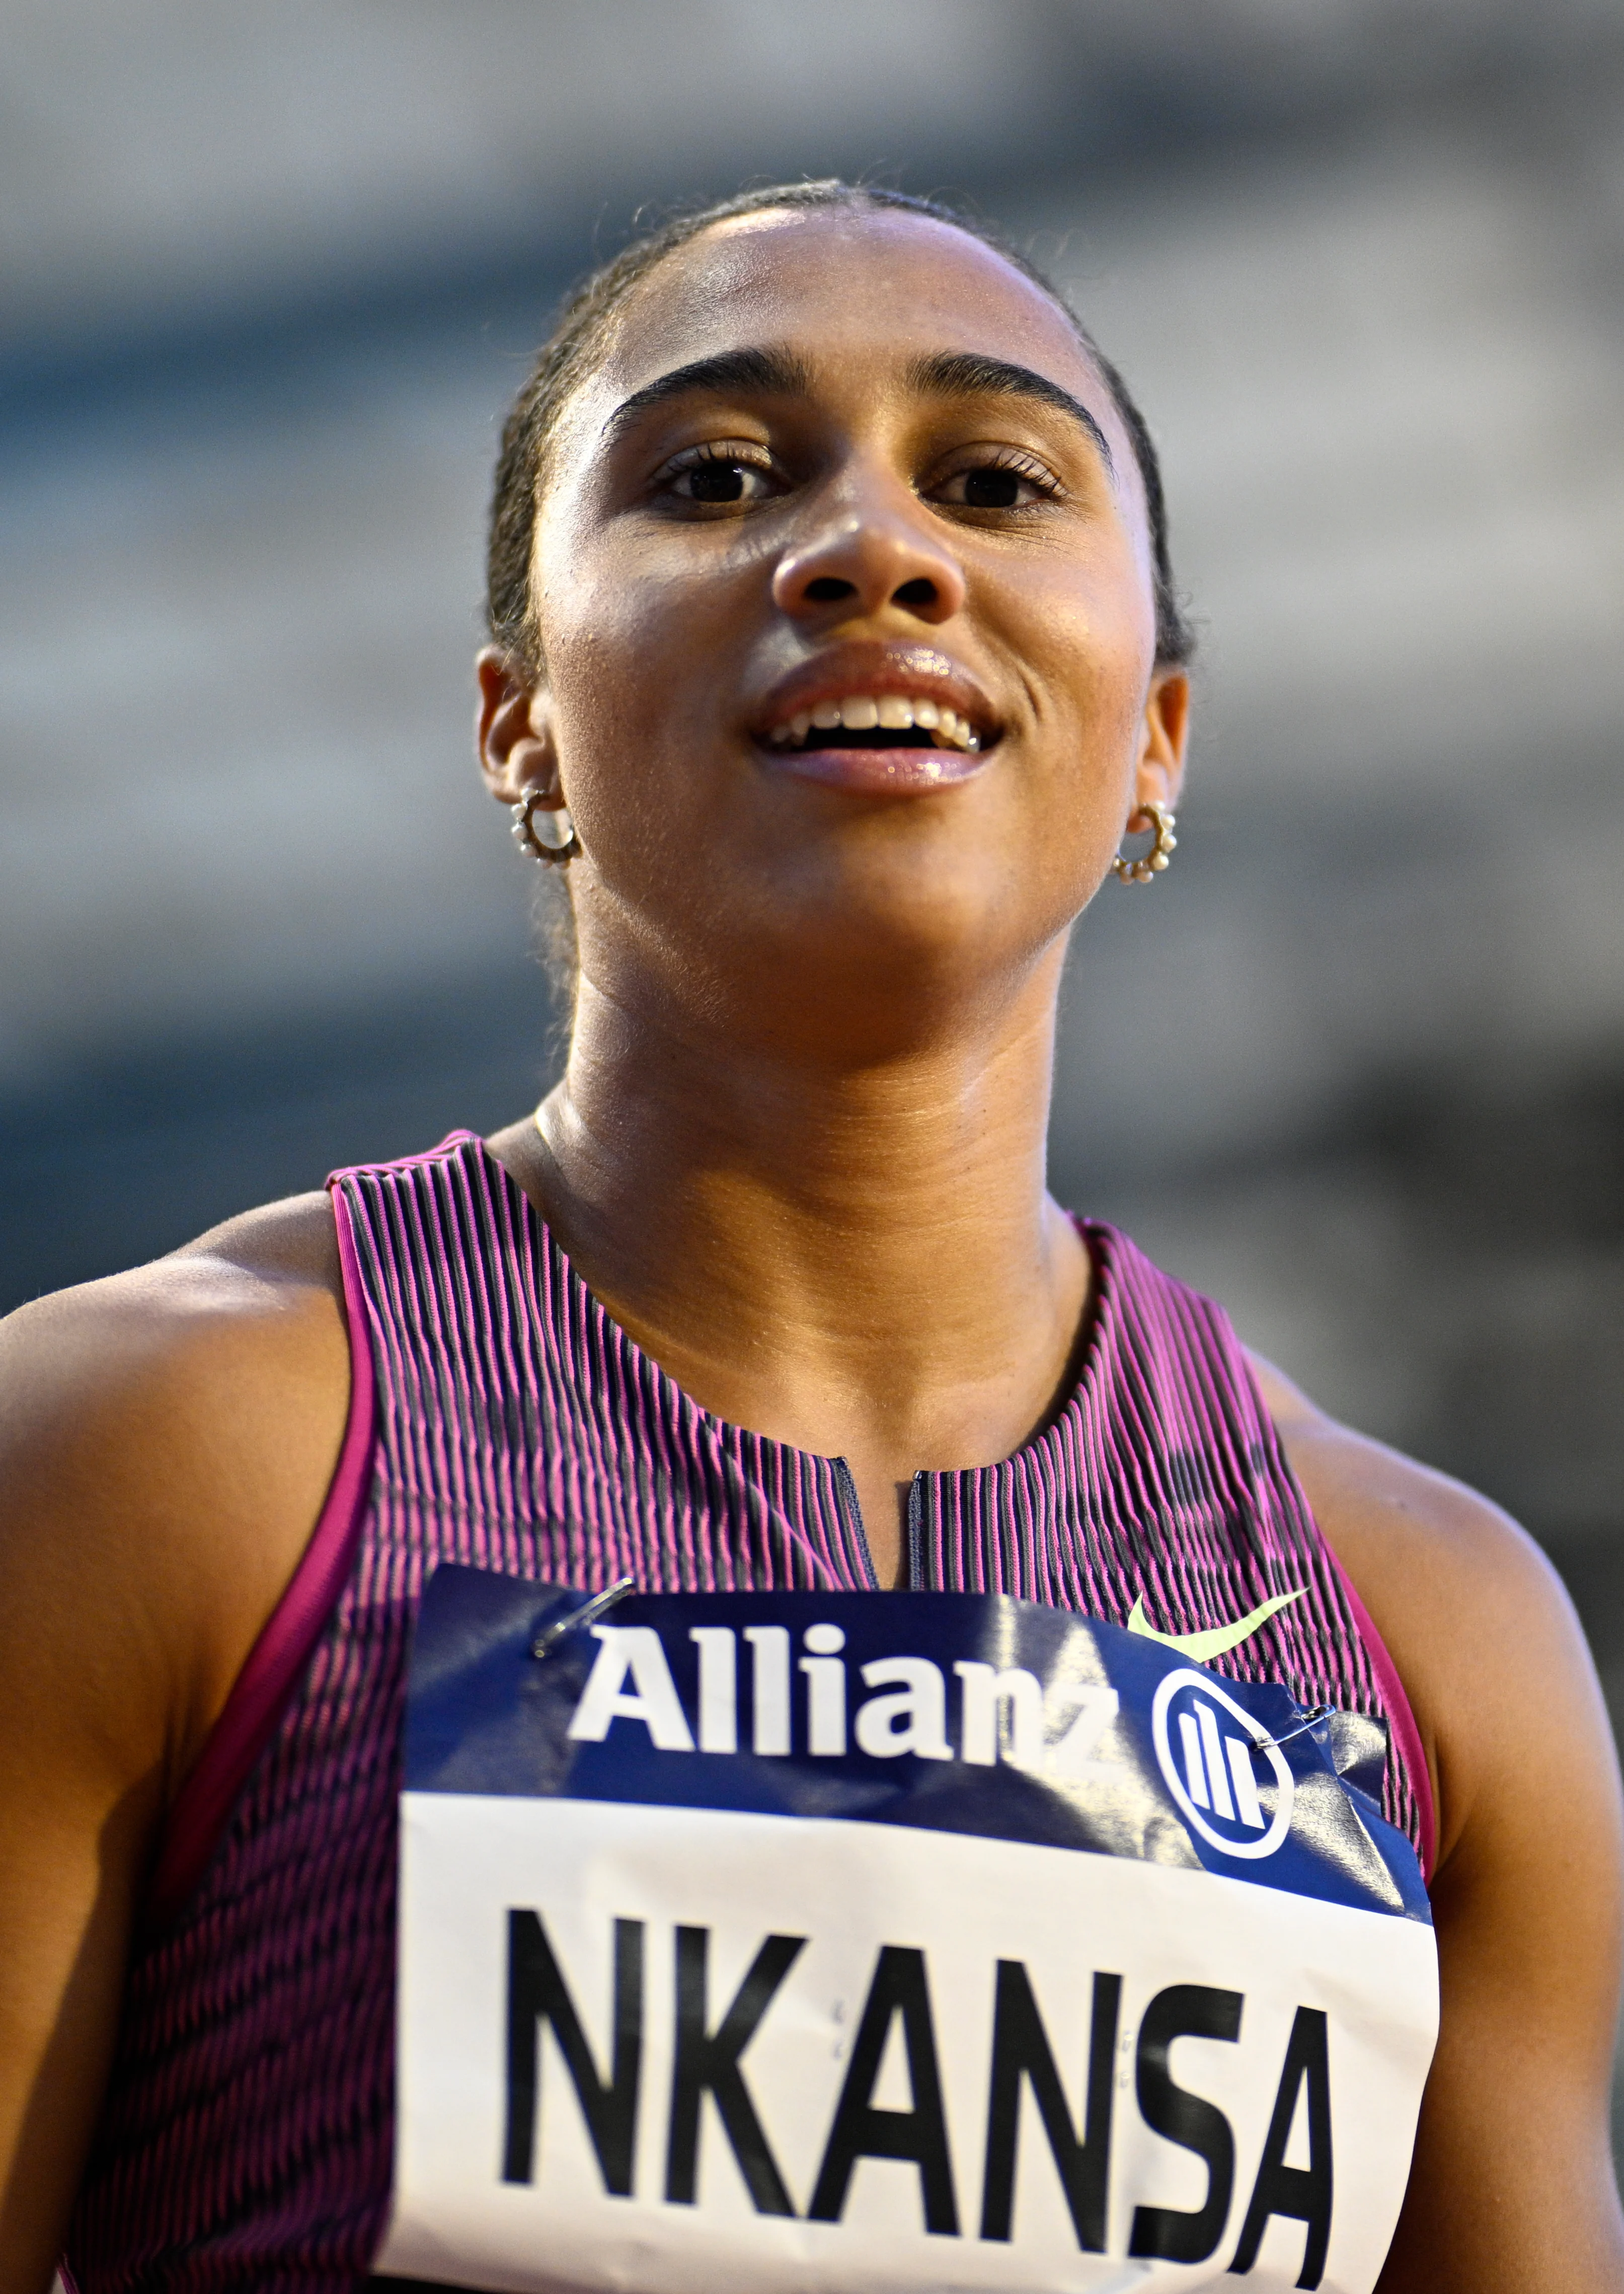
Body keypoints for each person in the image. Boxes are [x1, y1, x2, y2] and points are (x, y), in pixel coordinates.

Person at [0, 180, 1618, 2294]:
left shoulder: (1430, 1637)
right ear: (519, 723)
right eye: (714, 476)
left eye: (993, 477)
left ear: (1153, 740)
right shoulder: (153, 1454)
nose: (872, 550)